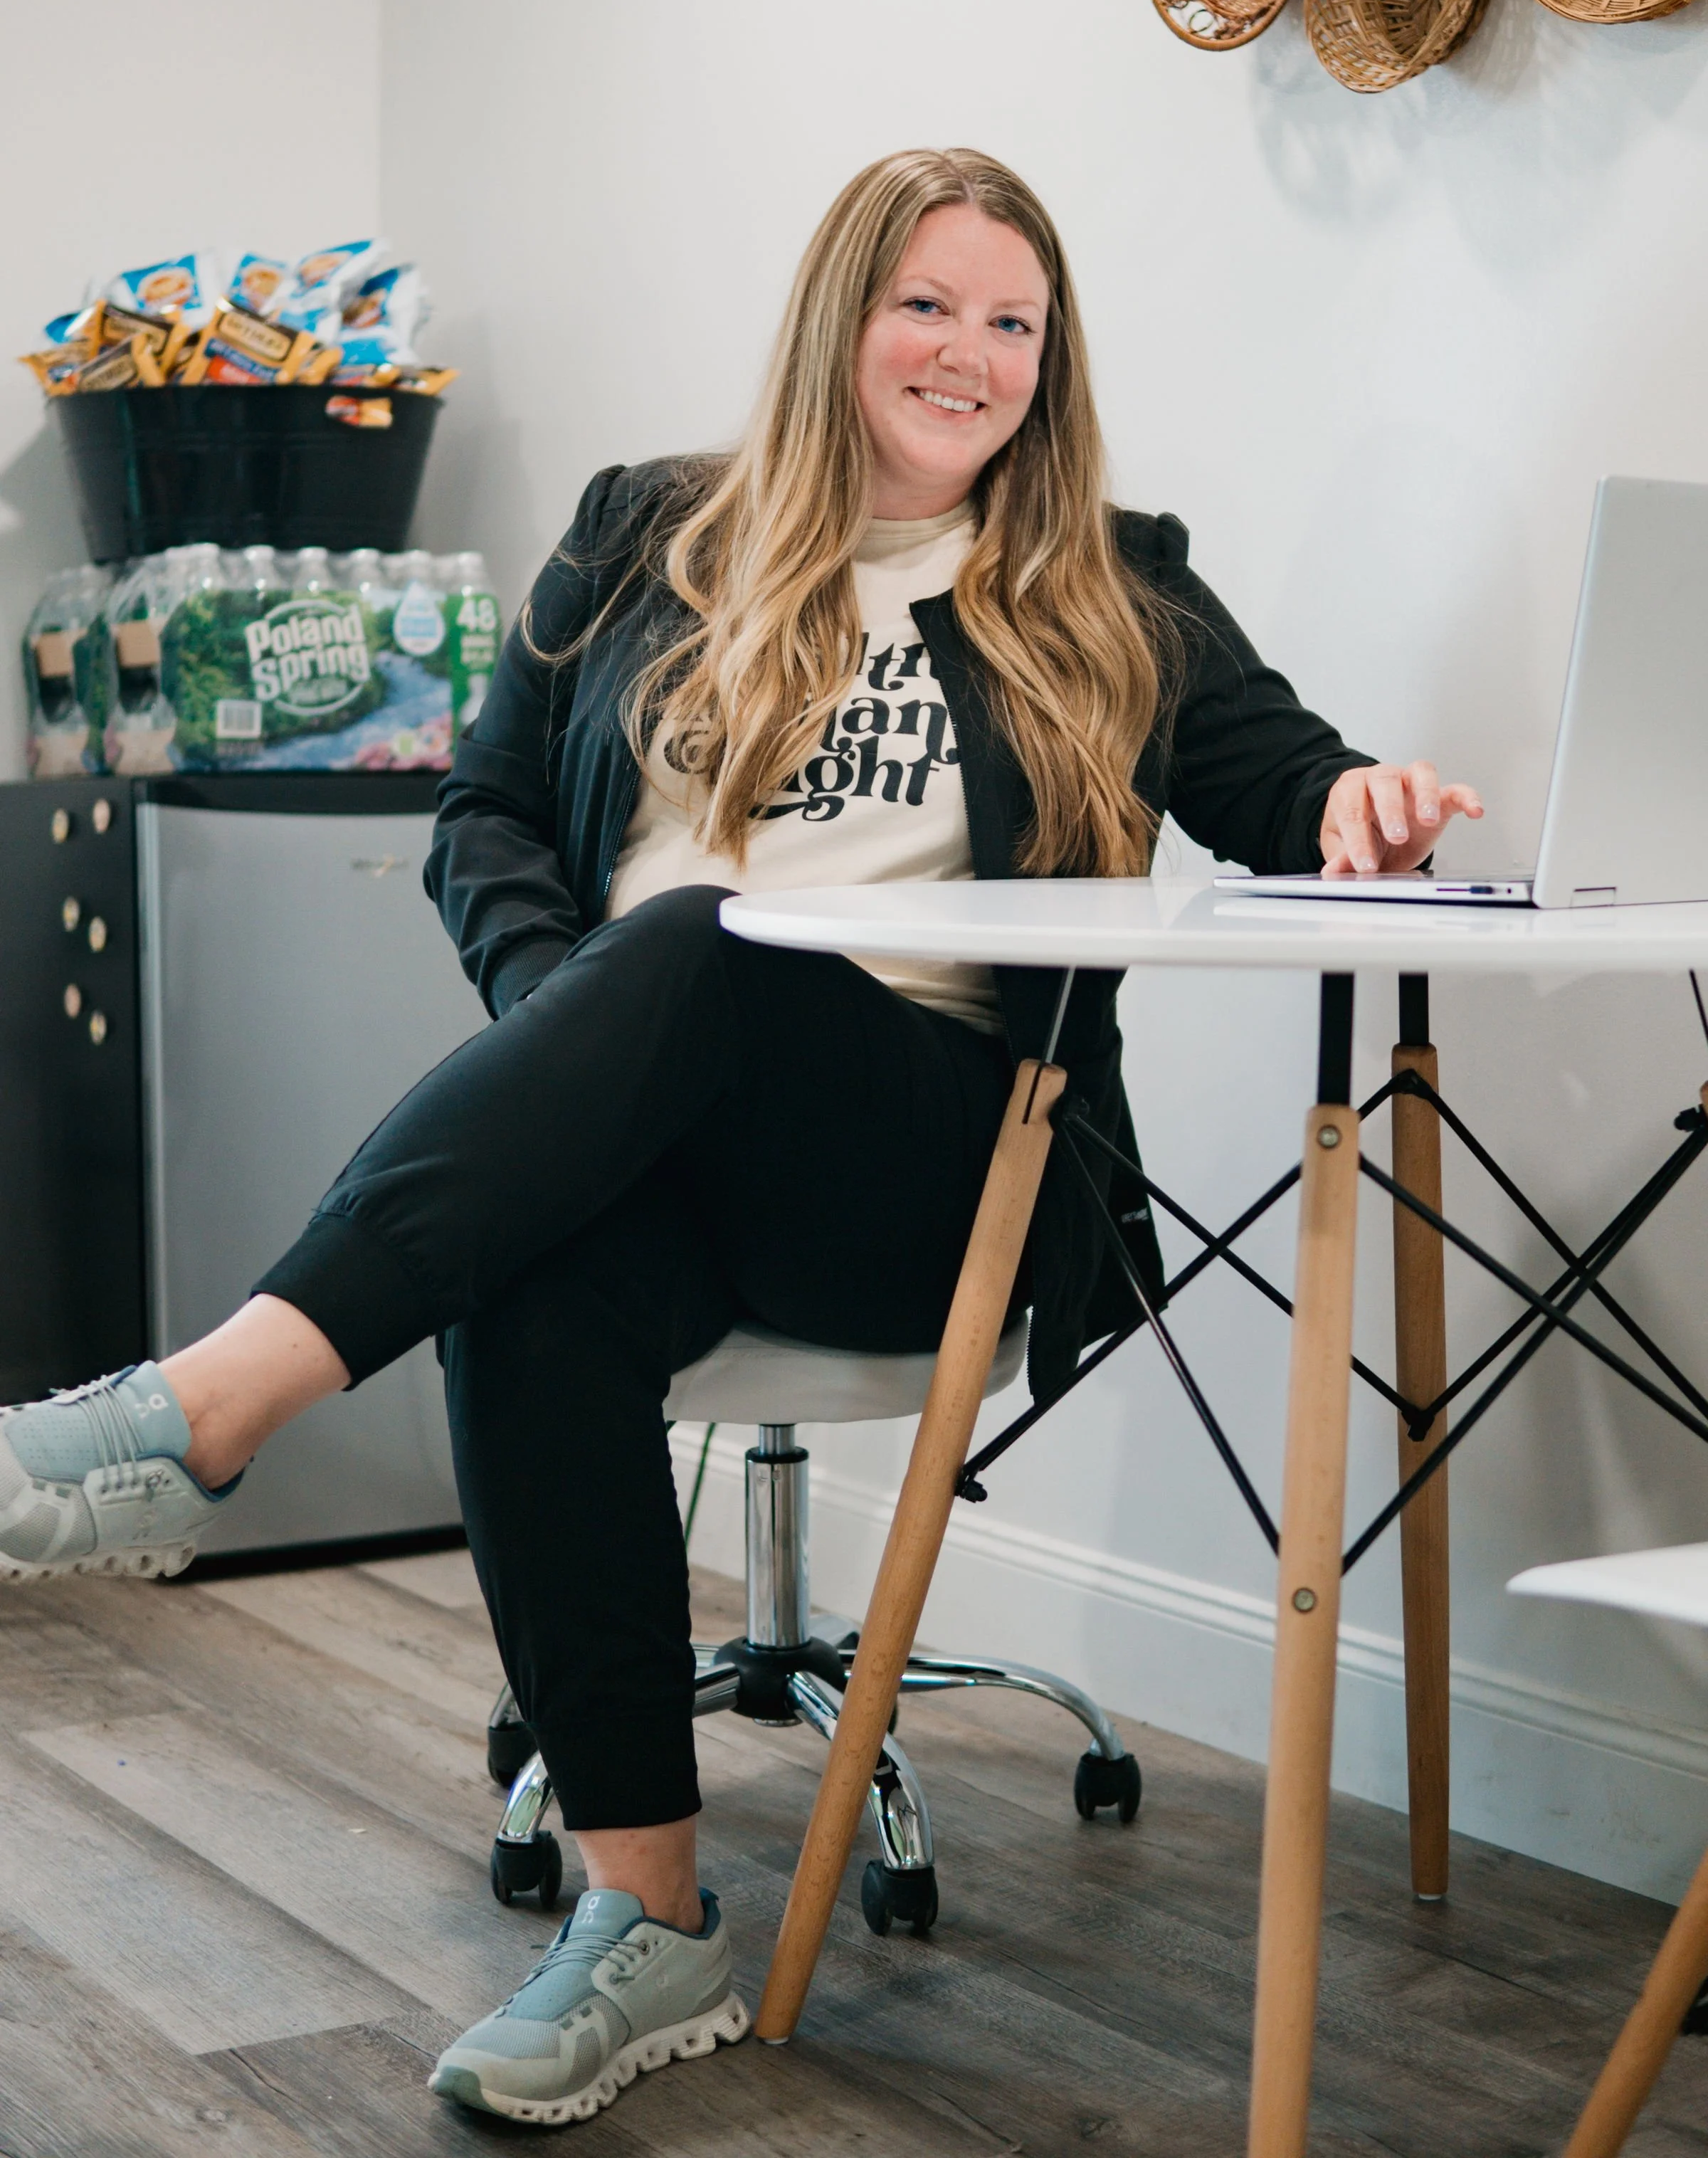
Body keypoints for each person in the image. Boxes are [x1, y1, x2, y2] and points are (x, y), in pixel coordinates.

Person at [0, 149, 1481, 2129]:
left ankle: (200, 1416)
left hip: (941, 1167)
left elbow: (1283, 780)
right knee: (536, 1280)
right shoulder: (648, 535)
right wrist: (572, 1048)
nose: (969, 354)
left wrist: (1362, 801)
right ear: (840, 320)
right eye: (928, 305)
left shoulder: (1114, 582)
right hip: (640, 1123)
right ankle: (653, 1921)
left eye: (1012, 322)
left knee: (715, 938)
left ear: (1052, 361)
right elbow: (490, 818)